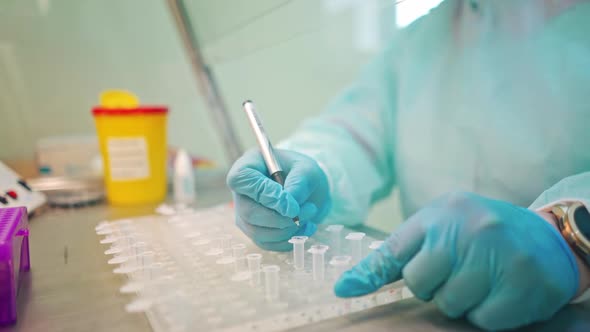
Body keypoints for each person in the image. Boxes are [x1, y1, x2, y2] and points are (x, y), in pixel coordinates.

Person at [226, 0, 590, 330]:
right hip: (431, 302)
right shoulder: (424, 37)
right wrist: (307, 168)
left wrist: (568, 234)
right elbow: (354, 132)